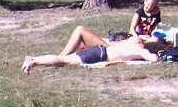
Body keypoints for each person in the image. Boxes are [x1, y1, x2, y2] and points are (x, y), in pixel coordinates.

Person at [22, 28, 158, 73]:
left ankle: (35, 60)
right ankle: (34, 61)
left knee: (65, 60)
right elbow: (153, 59)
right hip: (100, 55)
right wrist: (154, 56)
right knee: (64, 61)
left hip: (100, 50)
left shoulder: (131, 41)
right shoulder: (140, 49)